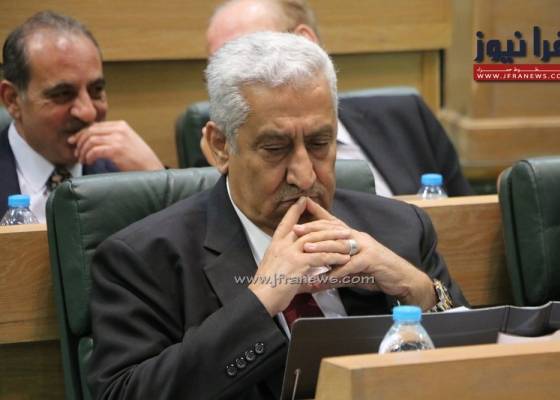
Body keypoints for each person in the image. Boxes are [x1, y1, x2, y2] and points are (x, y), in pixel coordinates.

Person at [89, 32, 466, 400]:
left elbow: (477, 366)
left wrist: (418, 291)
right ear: (221, 147)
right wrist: (259, 302)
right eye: (275, 148)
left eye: (320, 143)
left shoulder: (400, 229)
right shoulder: (144, 260)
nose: (305, 175)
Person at [201, 0, 473, 197]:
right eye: (218, 68)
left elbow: (468, 219)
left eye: (250, 56)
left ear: (306, 43)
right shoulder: (220, 155)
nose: (304, 176)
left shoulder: (407, 116)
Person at [0, 11, 164, 221]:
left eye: (96, 90)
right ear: (13, 100)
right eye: (63, 94)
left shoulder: (132, 174)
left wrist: (159, 182)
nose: (88, 112)